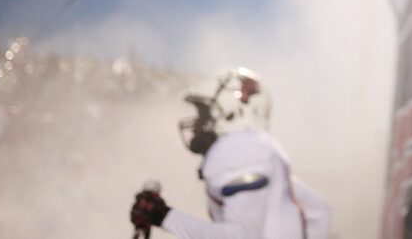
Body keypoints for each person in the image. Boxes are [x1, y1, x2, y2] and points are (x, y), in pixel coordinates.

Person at [129, 66, 330, 239]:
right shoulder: (255, 151)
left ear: (235, 113)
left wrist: (163, 216)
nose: (197, 123)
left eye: (204, 112)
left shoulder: (237, 150)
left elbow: (242, 237)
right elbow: (320, 211)